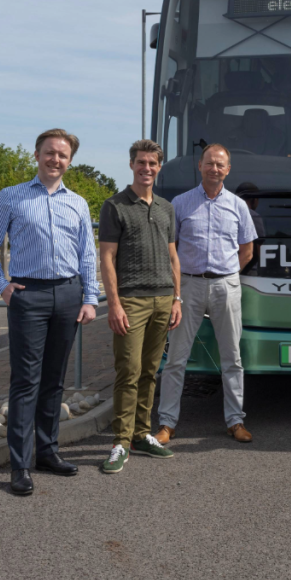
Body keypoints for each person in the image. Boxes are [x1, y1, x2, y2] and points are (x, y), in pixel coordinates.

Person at [0, 128, 98, 496]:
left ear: (70, 161)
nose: (55, 159)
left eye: (62, 155)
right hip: (28, 295)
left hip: (68, 294)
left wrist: (90, 297)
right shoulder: (11, 197)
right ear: (36, 155)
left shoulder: (77, 202)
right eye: (49, 153)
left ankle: (47, 452)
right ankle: (20, 465)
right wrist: (2, 285)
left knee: (54, 379)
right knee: (26, 380)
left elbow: (87, 254)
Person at [156, 144, 257, 444]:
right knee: (176, 358)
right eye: (209, 163)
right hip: (188, 286)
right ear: (199, 166)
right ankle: (167, 423)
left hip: (226, 285)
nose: (214, 168)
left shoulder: (239, 206)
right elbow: (170, 249)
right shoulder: (180, 203)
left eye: (220, 165)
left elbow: (247, 250)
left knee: (232, 358)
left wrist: (226, 275)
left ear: (228, 170)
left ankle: (235, 421)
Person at [98, 140, 183, 474]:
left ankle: (141, 434)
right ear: (131, 165)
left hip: (164, 299)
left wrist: (177, 298)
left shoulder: (166, 207)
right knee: (128, 371)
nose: (146, 168)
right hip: (131, 300)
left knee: (150, 371)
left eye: (152, 163)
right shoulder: (114, 206)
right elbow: (107, 257)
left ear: (159, 167)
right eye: (141, 162)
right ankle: (120, 441)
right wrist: (114, 304)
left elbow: (173, 256)